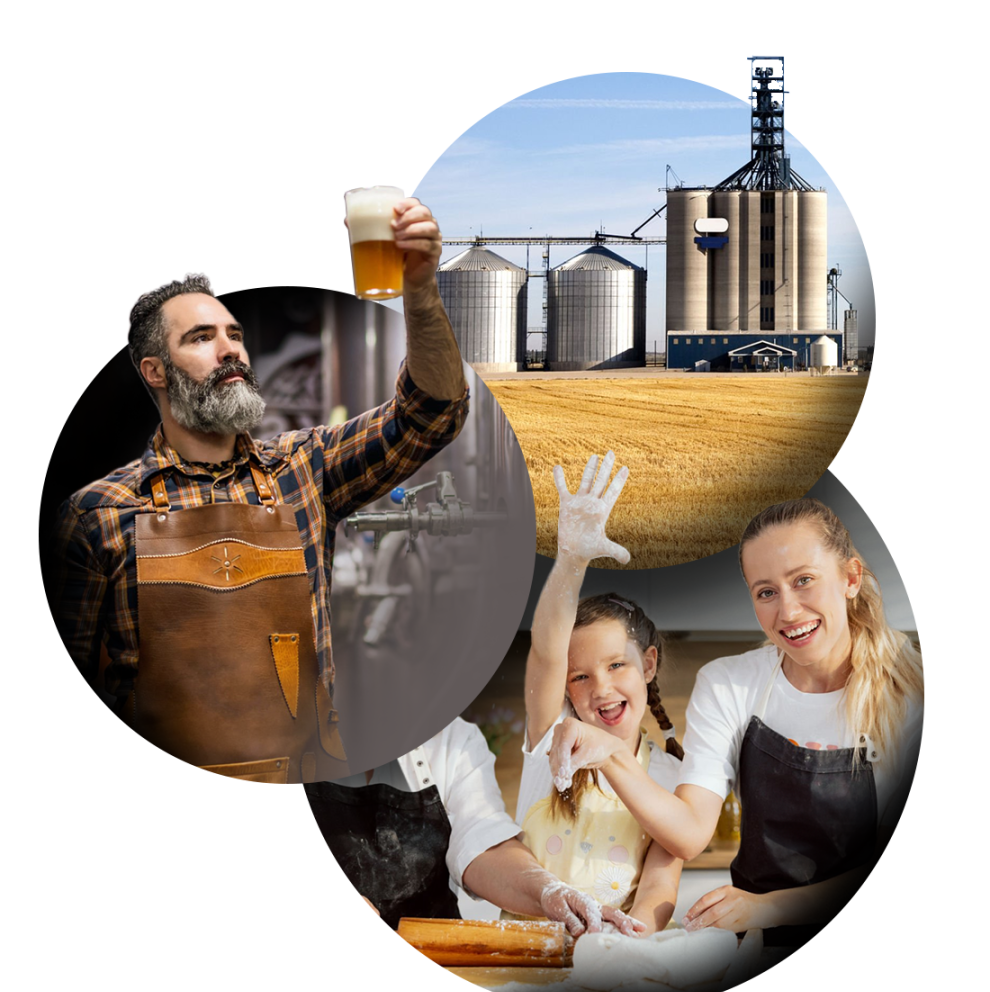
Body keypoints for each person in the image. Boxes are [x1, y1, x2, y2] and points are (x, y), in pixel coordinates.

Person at [50, 197, 468, 783]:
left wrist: (420, 292)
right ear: (154, 371)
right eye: (201, 337)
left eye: (235, 334)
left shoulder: (302, 468)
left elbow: (434, 414)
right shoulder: (98, 513)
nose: (232, 351)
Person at [549, 496, 925, 943]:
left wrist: (768, 908)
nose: (787, 612)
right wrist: (611, 752)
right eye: (766, 592)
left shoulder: (909, 693)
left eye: (803, 580)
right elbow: (689, 834)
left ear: (850, 577)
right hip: (759, 947)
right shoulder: (730, 684)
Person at [510, 452, 683, 935]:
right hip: (524, 954)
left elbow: (658, 890)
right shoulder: (551, 739)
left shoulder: (671, 775)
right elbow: (546, 652)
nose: (600, 688)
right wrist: (570, 560)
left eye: (616, 665)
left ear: (648, 664)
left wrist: (631, 938)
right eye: (579, 676)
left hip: (607, 957)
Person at [304, 717, 646, 938]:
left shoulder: (451, 738)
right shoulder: (271, 745)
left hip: (439, 951)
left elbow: (483, 843)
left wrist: (548, 892)